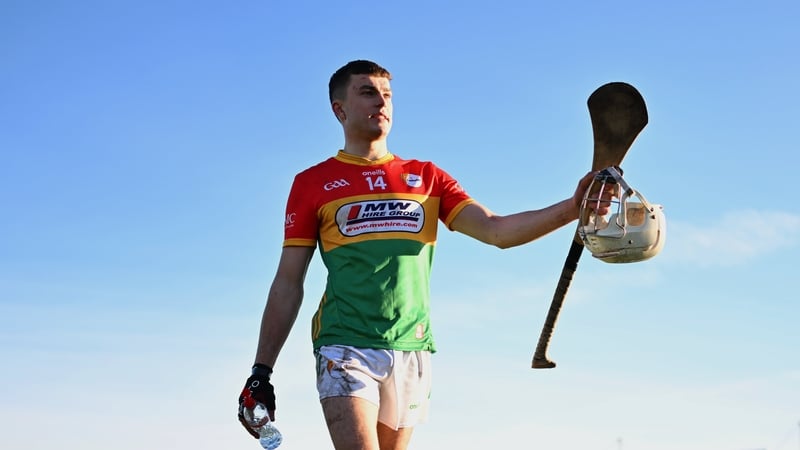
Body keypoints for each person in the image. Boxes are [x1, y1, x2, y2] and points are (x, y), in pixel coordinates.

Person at [238, 59, 609, 450]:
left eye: (387, 95)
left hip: (412, 346)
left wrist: (573, 208)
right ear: (339, 109)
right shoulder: (311, 183)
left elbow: (497, 230)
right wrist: (261, 370)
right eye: (367, 92)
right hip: (344, 344)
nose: (381, 103)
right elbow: (287, 282)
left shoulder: (428, 177)